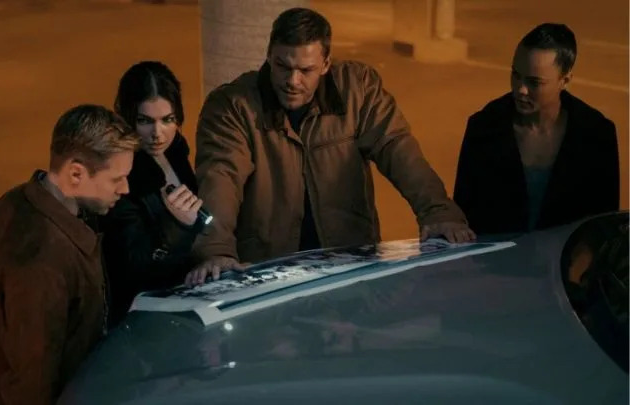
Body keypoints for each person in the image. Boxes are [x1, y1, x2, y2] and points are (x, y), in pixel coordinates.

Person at [186, 7, 475, 286]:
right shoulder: (233, 106)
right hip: (270, 269)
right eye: (281, 66)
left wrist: (437, 212)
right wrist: (216, 251)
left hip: (348, 262)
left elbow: (398, 149)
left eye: (305, 70)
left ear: (326, 64)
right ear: (268, 56)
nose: (292, 81)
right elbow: (221, 177)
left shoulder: (357, 89)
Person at [0, 105, 139, 405]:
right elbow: (31, 379)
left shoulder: (14, 202)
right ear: (76, 172)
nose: (125, 188)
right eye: (116, 179)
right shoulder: (44, 258)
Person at [453, 23, 620, 235]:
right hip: (495, 265)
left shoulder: (596, 135)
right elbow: (463, 217)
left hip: (564, 265)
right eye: (515, 75)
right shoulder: (484, 127)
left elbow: (604, 226)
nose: (521, 89)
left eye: (534, 82)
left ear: (565, 80)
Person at [102, 61, 206, 324]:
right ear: (127, 118)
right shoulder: (122, 174)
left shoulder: (175, 150)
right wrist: (178, 228)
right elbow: (134, 267)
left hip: (187, 294)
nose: (157, 134)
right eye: (144, 121)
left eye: (167, 120)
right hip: (144, 311)